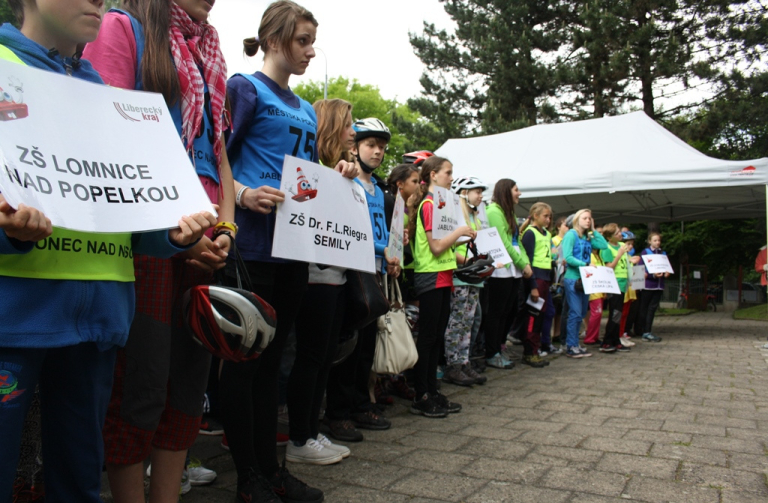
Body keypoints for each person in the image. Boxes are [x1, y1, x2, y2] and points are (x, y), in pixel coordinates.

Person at [0, 1, 215, 500]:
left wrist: (173, 236)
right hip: (15, 318)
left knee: (80, 480)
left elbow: (126, 210)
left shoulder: (103, 91)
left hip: (98, 321)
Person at [83, 0, 236, 499]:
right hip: (147, 242)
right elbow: (107, 142)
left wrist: (226, 229)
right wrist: (179, 235)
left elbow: (218, 152)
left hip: (206, 239)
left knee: (189, 387)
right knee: (139, 387)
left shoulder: (207, 48)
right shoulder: (121, 28)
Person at [219, 2, 358, 501]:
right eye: (302, 40)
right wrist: (240, 198)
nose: (310, 51)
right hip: (252, 249)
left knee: (273, 362)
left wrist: (337, 174)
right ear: (274, 39)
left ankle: (271, 471)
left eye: (311, 40)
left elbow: (306, 178)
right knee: (245, 364)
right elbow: (215, 157)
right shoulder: (243, 88)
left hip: (294, 251)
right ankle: (249, 479)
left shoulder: (302, 106)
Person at [286, 98, 353, 465]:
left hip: (337, 275)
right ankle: (299, 437)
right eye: (348, 124)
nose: (353, 132)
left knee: (325, 356)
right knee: (311, 356)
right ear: (330, 125)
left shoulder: (339, 170)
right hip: (314, 275)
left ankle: (310, 430)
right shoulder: (308, 167)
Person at [323, 117, 398, 441]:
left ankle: (357, 404)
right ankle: (337, 414)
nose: (377, 152)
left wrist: (391, 256)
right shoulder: (347, 181)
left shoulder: (378, 187)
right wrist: (383, 249)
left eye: (381, 147)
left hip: (377, 270)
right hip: (352, 271)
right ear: (355, 148)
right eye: (371, 145)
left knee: (366, 345)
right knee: (349, 345)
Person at [407, 156, 474, 417]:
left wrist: (462, 241)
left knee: (437, 338)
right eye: (448, 173)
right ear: (433, 175)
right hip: (431, 276)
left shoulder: (442, 203)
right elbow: (435, 247)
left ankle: (432, 390)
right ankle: (420, 394)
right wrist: (459, 233)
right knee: (428, 338)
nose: (451, 177)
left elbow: (442, 244)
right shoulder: (429, 204)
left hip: (443, 275)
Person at [443, 176, 490, 385]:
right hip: (461, 275)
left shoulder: (475, 218)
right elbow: (449, 247)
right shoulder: (455, 215)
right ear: (463, 192)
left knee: (469, 321)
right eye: (476, 191)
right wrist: (469, 261)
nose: (480, 196)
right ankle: (452, 365)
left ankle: (464, 361)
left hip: (473, 275)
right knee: (457, 321)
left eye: (481, 191)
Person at [484, 179, 532, 369]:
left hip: (514, 268)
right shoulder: (494, 211)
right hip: (501, 268)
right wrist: (522, 263)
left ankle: (501, 346)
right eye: (516, 190)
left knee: (509, 310)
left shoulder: (509, 212)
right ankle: (492, 352)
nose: (519, 193)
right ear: (506, 191)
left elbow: (516, 241)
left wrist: (525, 263)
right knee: (497, 312)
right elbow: (503, 243)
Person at [561, 209, 608, 358]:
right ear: (576, 220)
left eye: (590, 218)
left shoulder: (588, 237)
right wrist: (585, 264)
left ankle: (575, 344)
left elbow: (603, 245)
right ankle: (571, 345)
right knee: (574, 313)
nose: (588, 220)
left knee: (581, 313)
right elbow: (568, 257)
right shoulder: (571, 235)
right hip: (573, 278)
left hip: (586, 279)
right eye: (585, 218)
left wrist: (594, 230)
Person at [520, 202, 555, 367]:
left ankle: (536, 349)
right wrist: (533, 285)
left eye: (549, 216)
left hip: (545, 277)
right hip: (536, 278)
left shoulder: (546, 233)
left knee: (542, 315)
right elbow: (528, 262)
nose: (548, 219)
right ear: (535, 216)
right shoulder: (530, 233)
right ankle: (529, 351)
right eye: (545, 216)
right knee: (533, 315)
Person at [599, 224, 632, 353]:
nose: (620, 235)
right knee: (615, 313)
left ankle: (616, 340)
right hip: (614, 283)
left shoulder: (621, 247)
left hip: (623, 283)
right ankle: (607, 341)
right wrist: (618, 255)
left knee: (619, 313)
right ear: (609, 237)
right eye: (617, 233)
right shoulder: (607, 248)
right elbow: (609, 267)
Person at [636, 232, 668, 342]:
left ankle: (647, 331)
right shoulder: (645, 252)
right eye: (655, 240)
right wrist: (652, 275)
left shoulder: (663, 253)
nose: (657, 242)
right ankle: (643, 331)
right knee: (644, 308)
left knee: (652, 309)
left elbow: (666, 267)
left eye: (659, 240)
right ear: (650, 241)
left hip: (659, 286)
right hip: (648, 285)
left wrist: (667, 272)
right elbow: (641, 269)